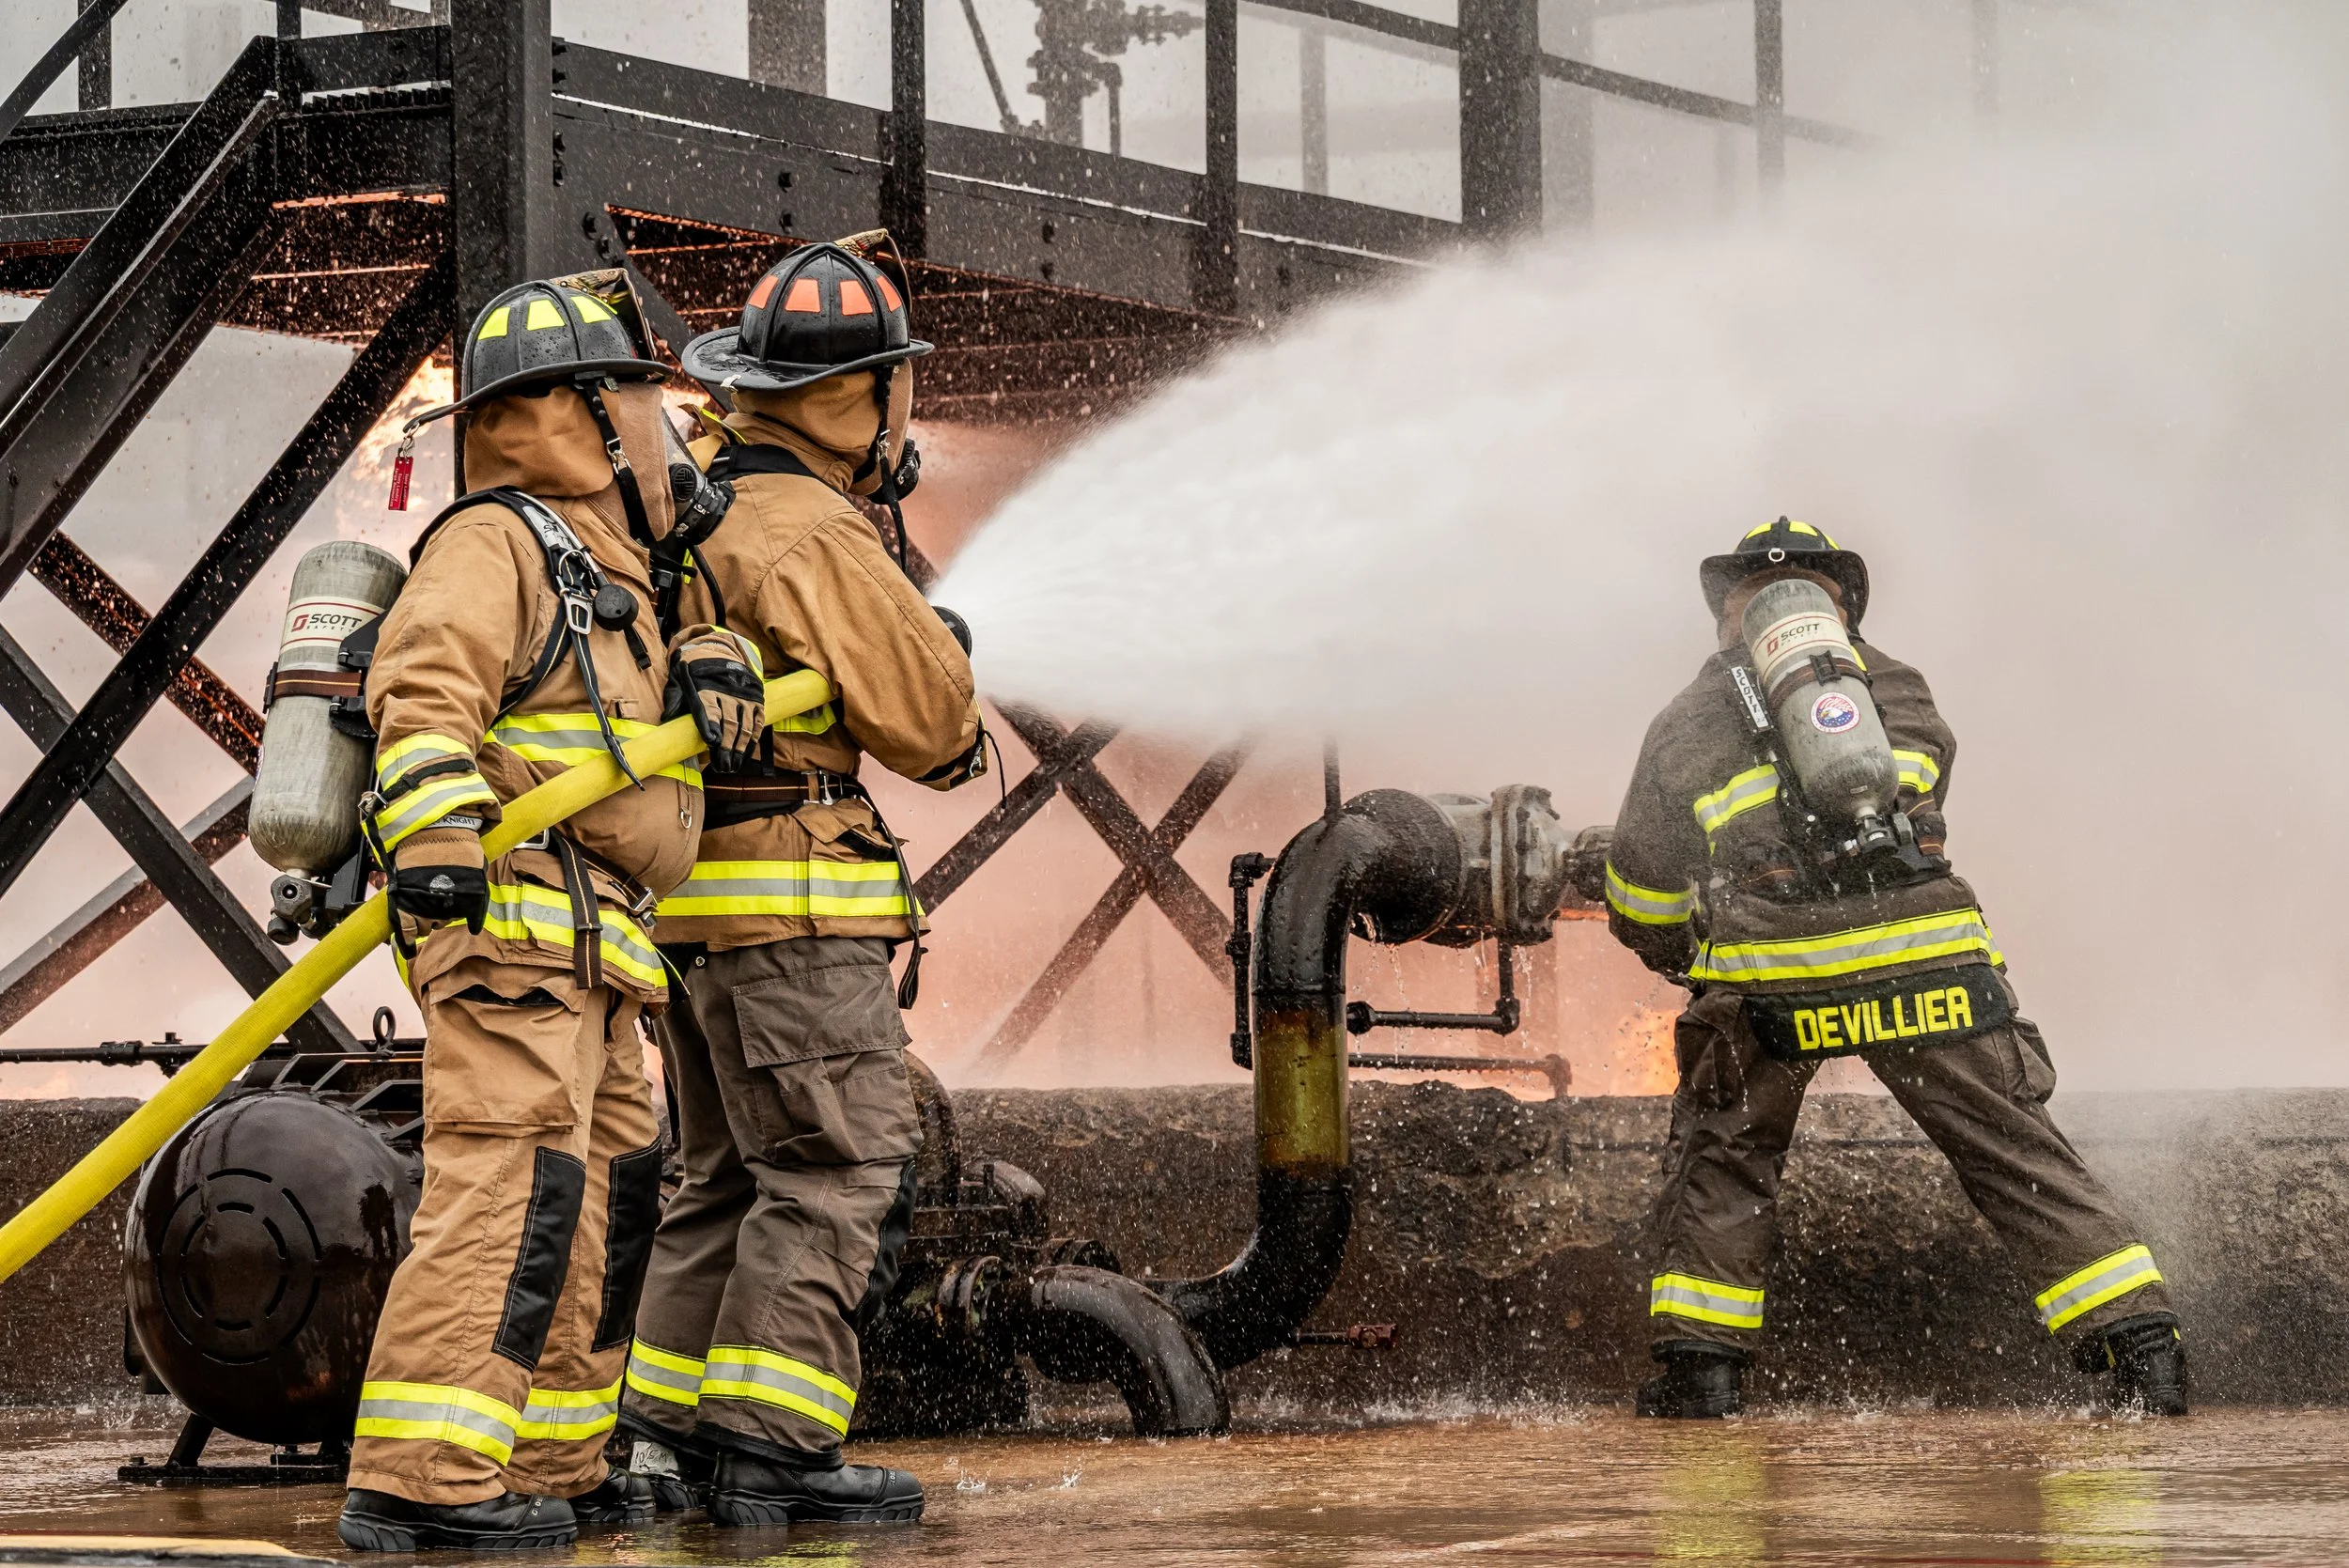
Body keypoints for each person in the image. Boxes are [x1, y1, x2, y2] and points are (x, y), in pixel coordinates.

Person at [337, 272, 767, 1550]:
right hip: (514, 926)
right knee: (511, 1193)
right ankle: (421, 1480)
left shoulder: (613, 573)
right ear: (584, 412)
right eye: (649, 401)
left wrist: (708, 658)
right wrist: (438, 839)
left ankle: (557, 1460)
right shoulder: (500, 540)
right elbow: (423, 691)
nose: (674, 433)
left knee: (605, 1203)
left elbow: (618, 716)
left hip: (595, 954)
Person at [1602, 518, 2186, 1420]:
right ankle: (2143, 1355)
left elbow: (1639, 888)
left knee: (1730, 1157)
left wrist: (1692, 954)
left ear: (1729, 613)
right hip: (1929, 963)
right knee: (2014, 1152)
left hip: (1774, 976)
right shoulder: (1901, 687)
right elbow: (1917, 801)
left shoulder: (1686, 719)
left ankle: (1701, 1380)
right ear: (1844, 602)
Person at [612, 232, 987, 1526]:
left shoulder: (698, 500)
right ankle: (774, 1449)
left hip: (698, 917)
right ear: (856, 396)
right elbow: (937, 734)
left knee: (715, 1180)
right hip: (795, 906)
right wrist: (941, 648)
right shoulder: (812, 529)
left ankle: (661, 1440)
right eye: (897, 385)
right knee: (833, 1169)